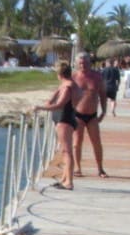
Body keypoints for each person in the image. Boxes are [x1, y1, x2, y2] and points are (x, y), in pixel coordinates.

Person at [34, 60, 80, 190]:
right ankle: (64, 178)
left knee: (67, 151)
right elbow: (52, 100)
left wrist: (40, 108)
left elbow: (59, 104)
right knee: (64, 150)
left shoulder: (67, 87)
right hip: (67, 118)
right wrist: (49, 102)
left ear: (59, 74)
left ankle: (69, 182)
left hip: (64, 119)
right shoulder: (68, 85)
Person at [72, 52, 109, 179]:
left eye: (85, 63)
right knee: (77, 142)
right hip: (78, 115)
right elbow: (66, 94)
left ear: (90, 63)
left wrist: (104, 111)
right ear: (77, 64)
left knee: (96, 142)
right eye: (81, 63)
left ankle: (100, 168)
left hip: (92, 115)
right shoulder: (74, 77)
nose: (83, 65)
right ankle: (77, 168)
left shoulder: (97, 76)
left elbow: (103, 94)